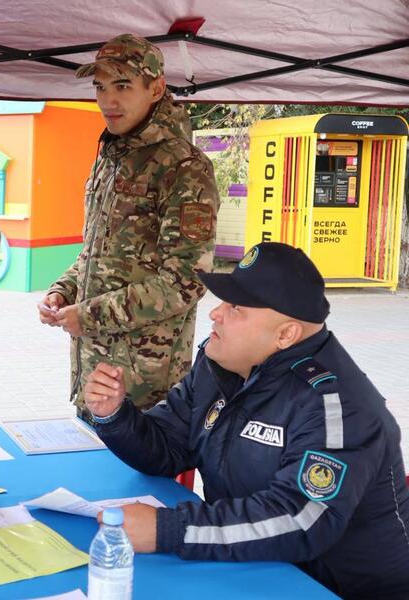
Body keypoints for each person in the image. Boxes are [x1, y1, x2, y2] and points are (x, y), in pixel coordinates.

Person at [84, 242, 409, 599]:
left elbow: (300, 520)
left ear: (285, 335)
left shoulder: (337, 407)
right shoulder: (221, 366)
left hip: (335, 588)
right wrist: (114, 414)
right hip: (249, 567)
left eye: (235, 308)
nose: (215, 313)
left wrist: (170, 530)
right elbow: (167, 447)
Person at [38, 33, 219, 420]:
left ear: (156, 89)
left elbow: (186, 281)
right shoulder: (111, 157)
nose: (108, 100)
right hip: (94, 374)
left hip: (145, 387)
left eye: (122, 86)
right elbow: (96, 253)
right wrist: (63, 290)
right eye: (100, 87)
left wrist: (89, 316)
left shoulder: (183, 167)